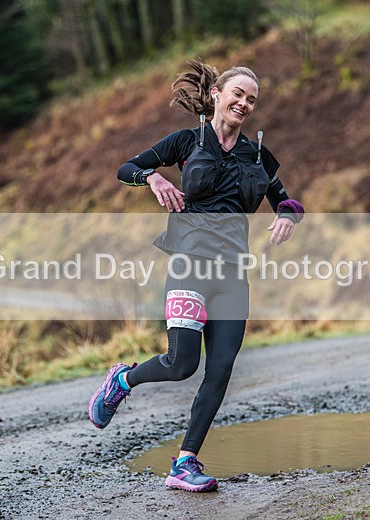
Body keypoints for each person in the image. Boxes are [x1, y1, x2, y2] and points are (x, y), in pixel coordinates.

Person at [87, 59, 304, 492]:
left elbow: (287, 200)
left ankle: (185, 462)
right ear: (218, 95)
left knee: (221, 368)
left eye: (252, 99)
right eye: (238, 94)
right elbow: (125, 168)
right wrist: (153, 179)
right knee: (182, 363)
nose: (244, 103)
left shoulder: (258, 154)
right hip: (189, 265)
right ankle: (122, 380)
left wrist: (287, 216)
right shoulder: (188, 141)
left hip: (233, 274)